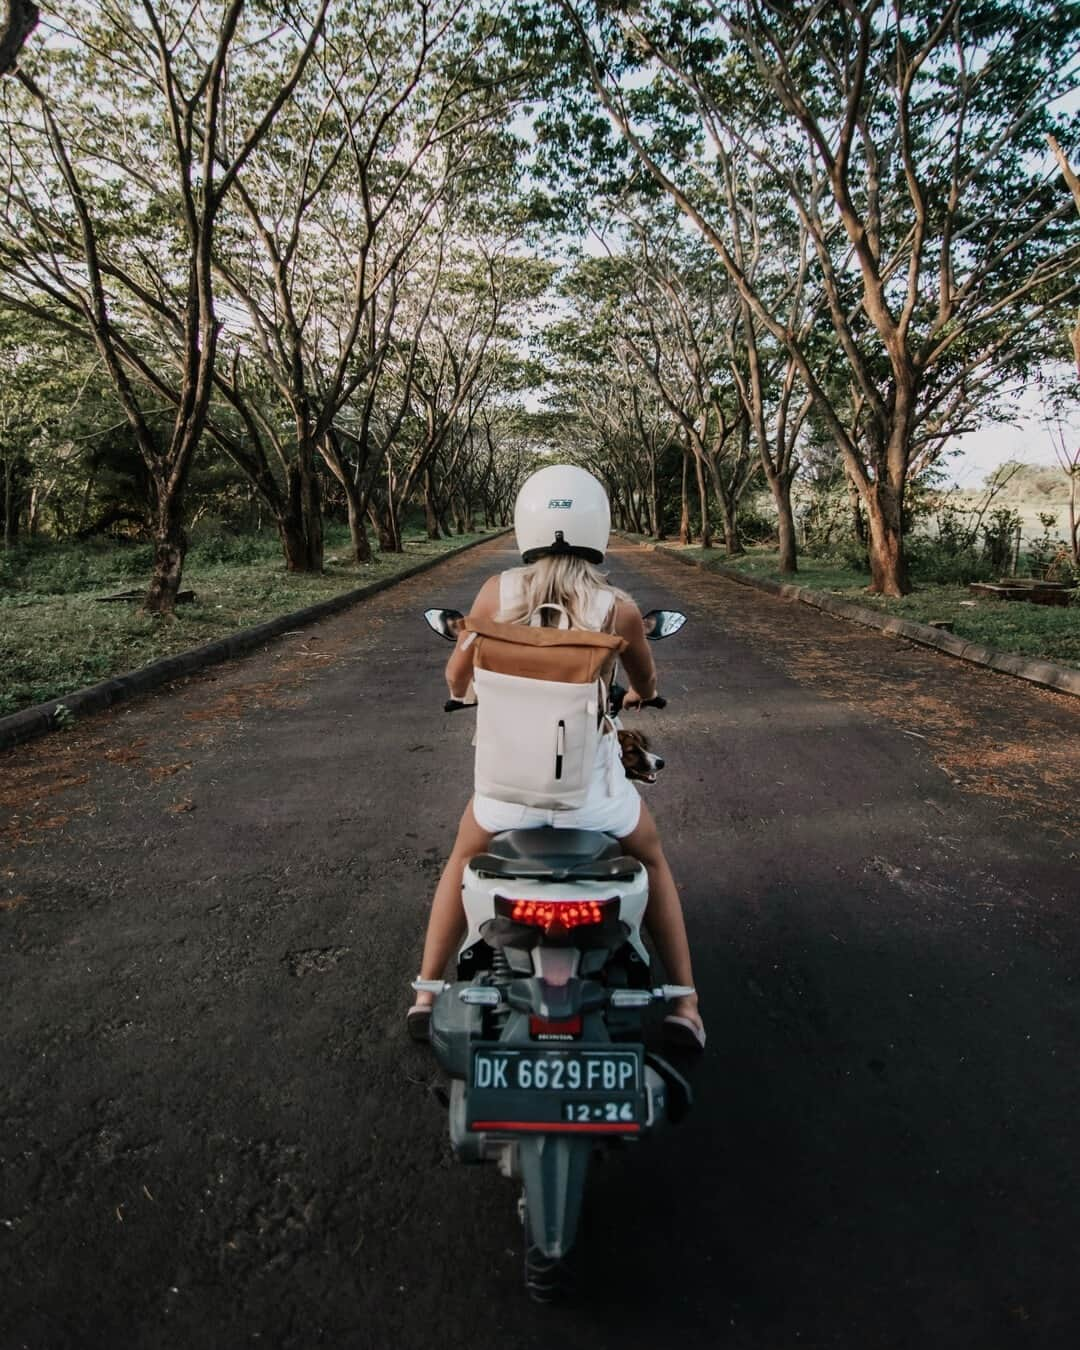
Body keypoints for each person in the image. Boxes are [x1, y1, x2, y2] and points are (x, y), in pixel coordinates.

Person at [408, 464, 704, 1049]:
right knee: (653, 860)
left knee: (459, 860)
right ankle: (685, 1006)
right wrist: (639, 694)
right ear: (598, 526)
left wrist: (467, 692)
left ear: (526, 525)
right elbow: (645, 678)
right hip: (592, 802)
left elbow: (457, 672)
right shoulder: (617, 606)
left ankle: (424, 994)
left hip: (506, 798)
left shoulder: (496, 592)